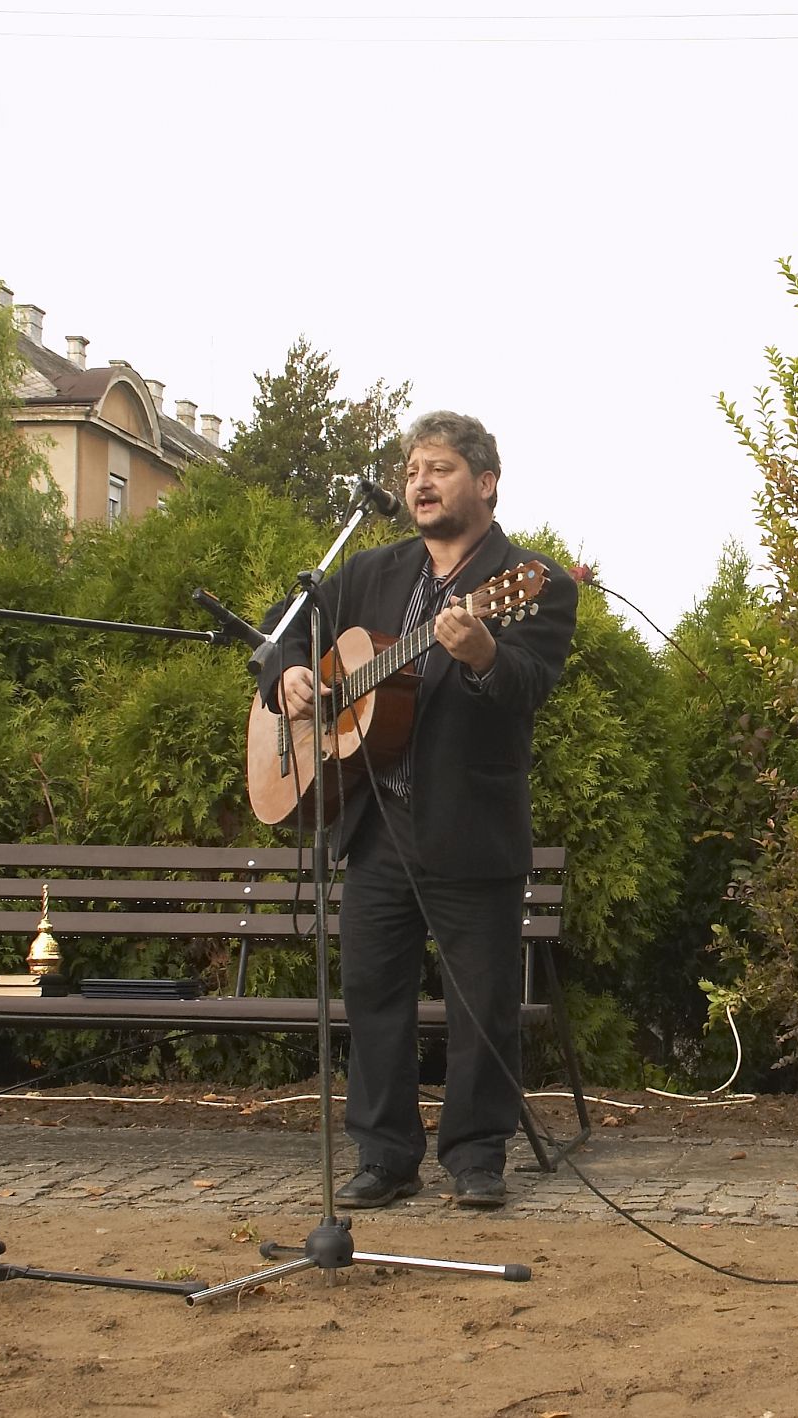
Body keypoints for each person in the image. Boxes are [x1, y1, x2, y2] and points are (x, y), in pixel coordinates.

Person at [256, 410, 577, 1209]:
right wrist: (288, 676)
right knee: (373, 996)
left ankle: (476, 1157)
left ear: (486, 483)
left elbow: (529, 687)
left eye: (439, 468)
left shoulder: (532, 581)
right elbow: (281, 630)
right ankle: (385, 1155)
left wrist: (485, 656)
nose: (420, 483)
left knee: (482, 1003)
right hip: (377, 826)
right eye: (410, 471)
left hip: (471, 824)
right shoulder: (372, 571)